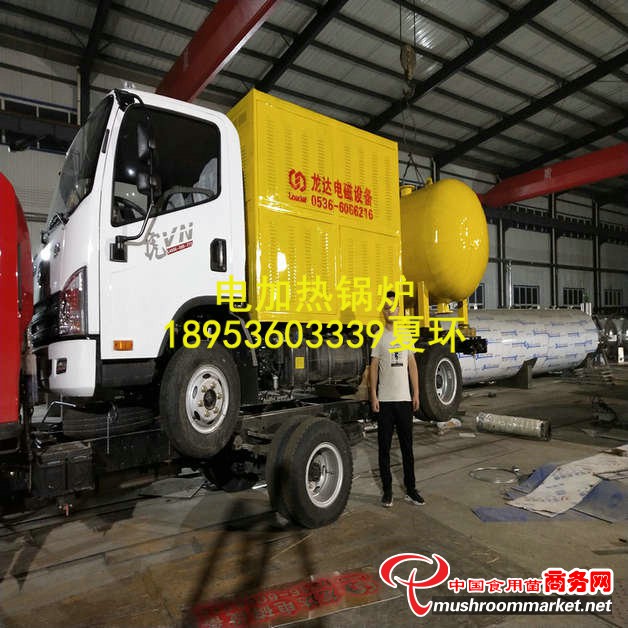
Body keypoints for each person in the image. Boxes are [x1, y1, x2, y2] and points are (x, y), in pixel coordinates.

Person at [369, 290, 424, 508]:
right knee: (384, 449)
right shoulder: (379, 337)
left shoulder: (406, 335)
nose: (390, 311)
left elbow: (412, 365)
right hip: (385, 401)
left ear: (399, 310)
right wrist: (373, 395)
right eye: (386, 308)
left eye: (393, 307)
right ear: (383, 312)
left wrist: (416, 392)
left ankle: (411, 489)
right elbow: (373, 367)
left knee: (406, 448)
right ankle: (388, 491)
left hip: (403, 400)